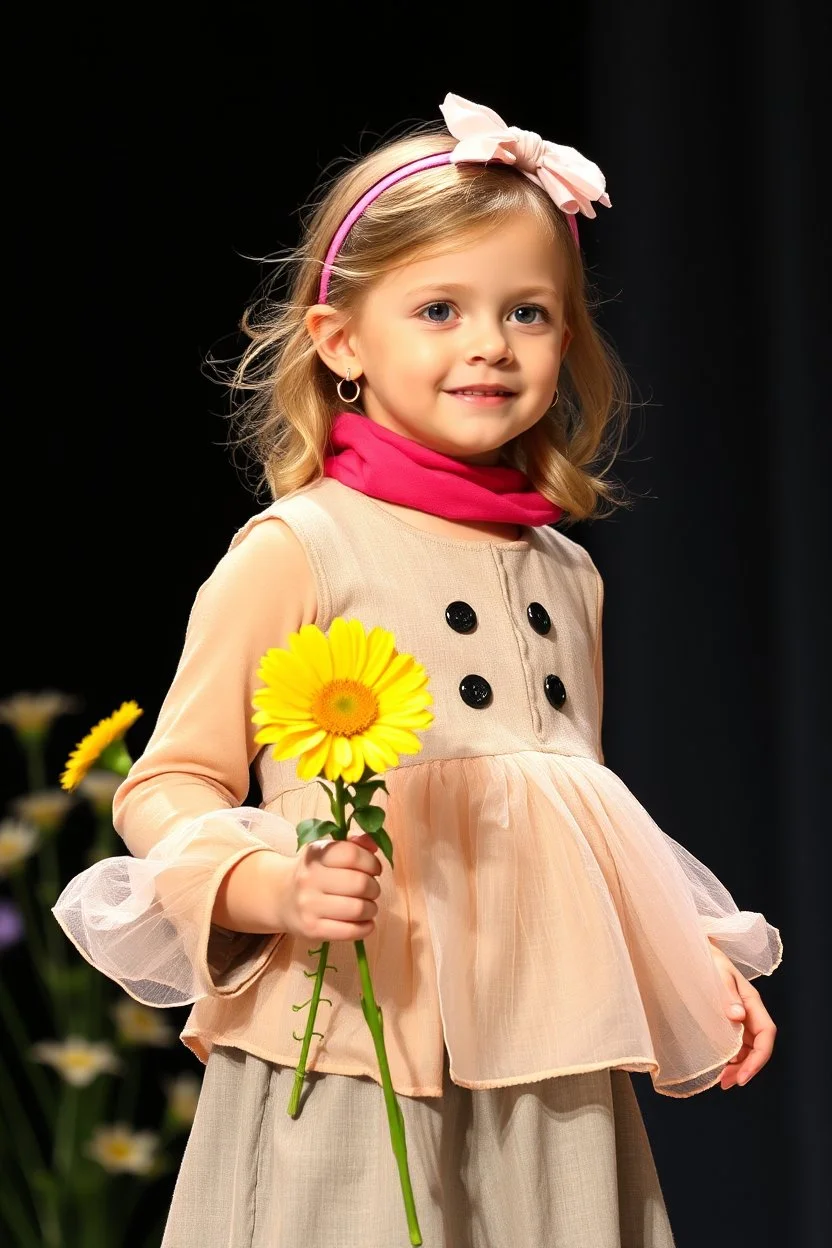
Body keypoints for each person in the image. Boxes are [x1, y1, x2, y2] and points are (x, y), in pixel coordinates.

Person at [53, 92, 782, 1248]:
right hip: (356, 1042)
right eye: (439, 308)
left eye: (528, 313)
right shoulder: (303, 549)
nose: (487, 344)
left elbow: (575, 815)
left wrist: (686, 959)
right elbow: (166, 785)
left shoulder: (565, 576)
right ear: (342, 340)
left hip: (546, 1061)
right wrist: (271, 884)